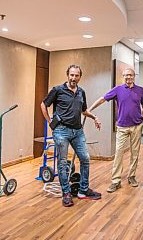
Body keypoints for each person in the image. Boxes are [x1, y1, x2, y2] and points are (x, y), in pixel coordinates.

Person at [40, 64, 102, 207]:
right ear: (67, 75)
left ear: (80, 77)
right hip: (61, 131)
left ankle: (83, 190)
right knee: (62, 163)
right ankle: (66, 193)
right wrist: (50, 121)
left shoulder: (81, 92)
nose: (74, 78)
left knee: (85, 159)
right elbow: (44, 104)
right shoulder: (57, 90)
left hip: (77, 131)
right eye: (72, 75)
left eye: (77, 75)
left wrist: (94, 117)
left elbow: (83, 110)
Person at [88, 67, 143, 193]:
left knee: (135, 153)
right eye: (126, 75)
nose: (128, 77)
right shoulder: (118, 90)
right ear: (123, 76)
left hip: (136, 126)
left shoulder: (140, 90)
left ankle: (131, 176)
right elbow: (103, 98)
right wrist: (90, 109)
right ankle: (116, 181)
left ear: (134, 76)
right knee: (119, 152)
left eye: (130, 75)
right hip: (122, 126)